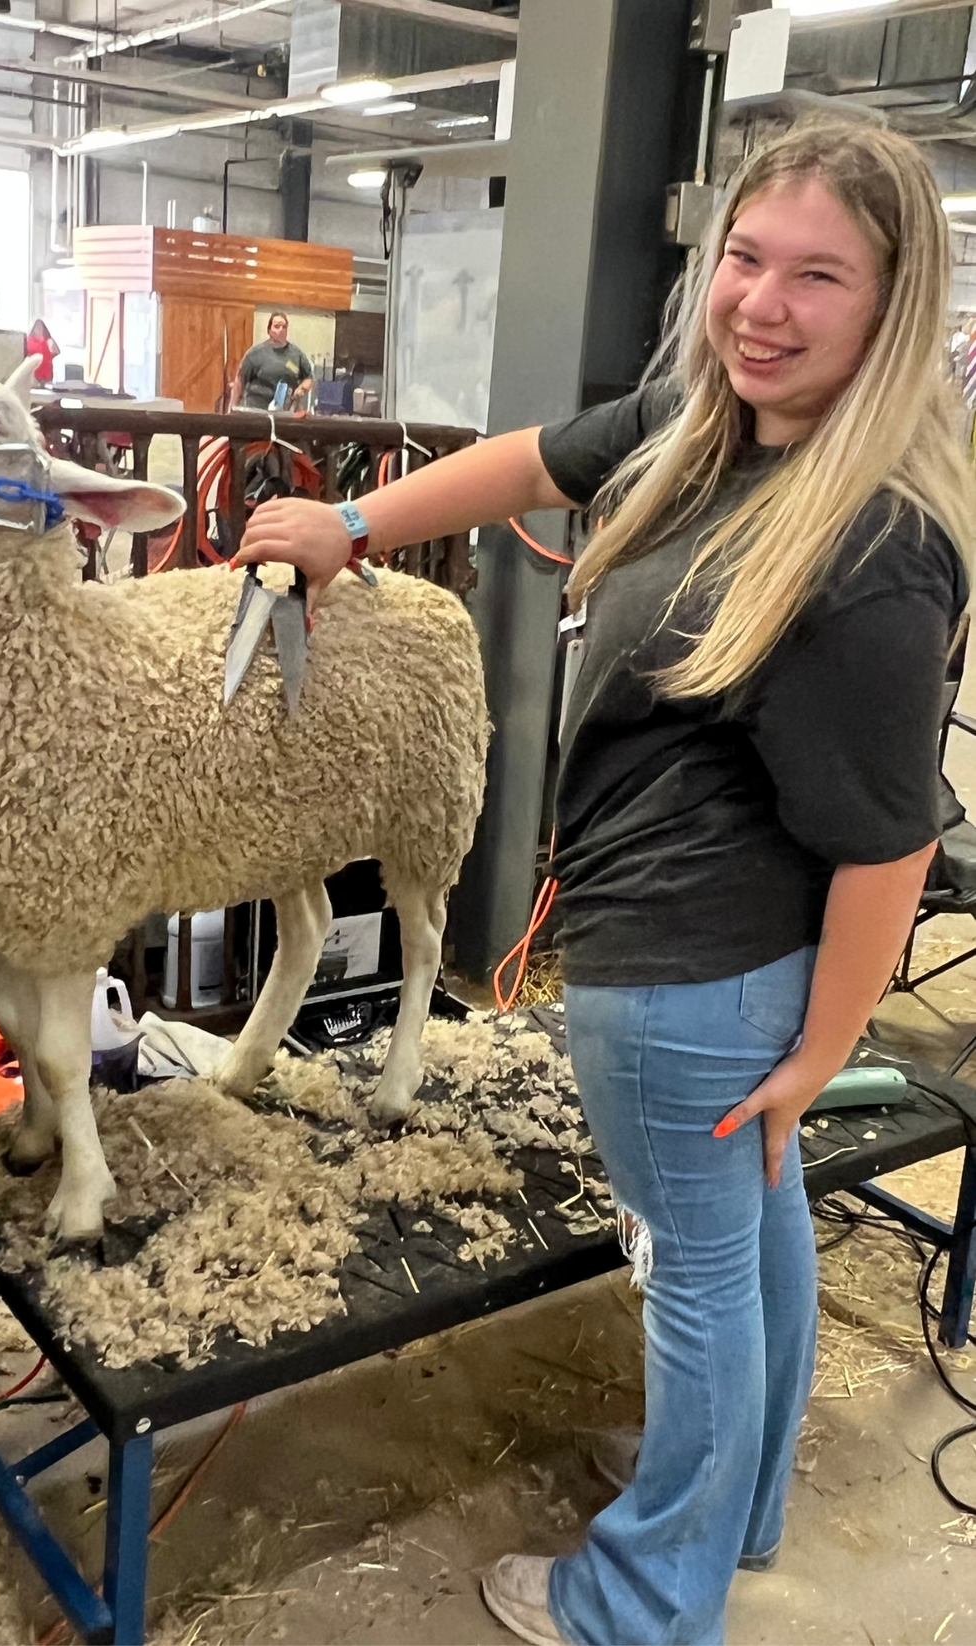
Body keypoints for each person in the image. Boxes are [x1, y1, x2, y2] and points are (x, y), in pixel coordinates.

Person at [236, 120, 973, 1645]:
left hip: (694, 975)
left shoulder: (866, 541)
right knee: (747, 1245)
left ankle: (640, 1594)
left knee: (698, 1275)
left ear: (891, 303)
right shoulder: (712, 425)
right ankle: (734, 1501)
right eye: (746, 262)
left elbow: (891, 840)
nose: (761, 304)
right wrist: (354, 523)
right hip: (699, 952)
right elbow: (542, 457)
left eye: (816, 277)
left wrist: (823, 1052)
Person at [235, 311, 315, 411]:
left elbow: (309, 378)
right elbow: (240, 380)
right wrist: (234, 406)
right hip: (257, 411)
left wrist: (302, 388)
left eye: (284, 327)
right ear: (269, 330)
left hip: (285, 412)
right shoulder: (255, 353)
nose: (281, 330)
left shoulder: (296, 354)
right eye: (277, 326)